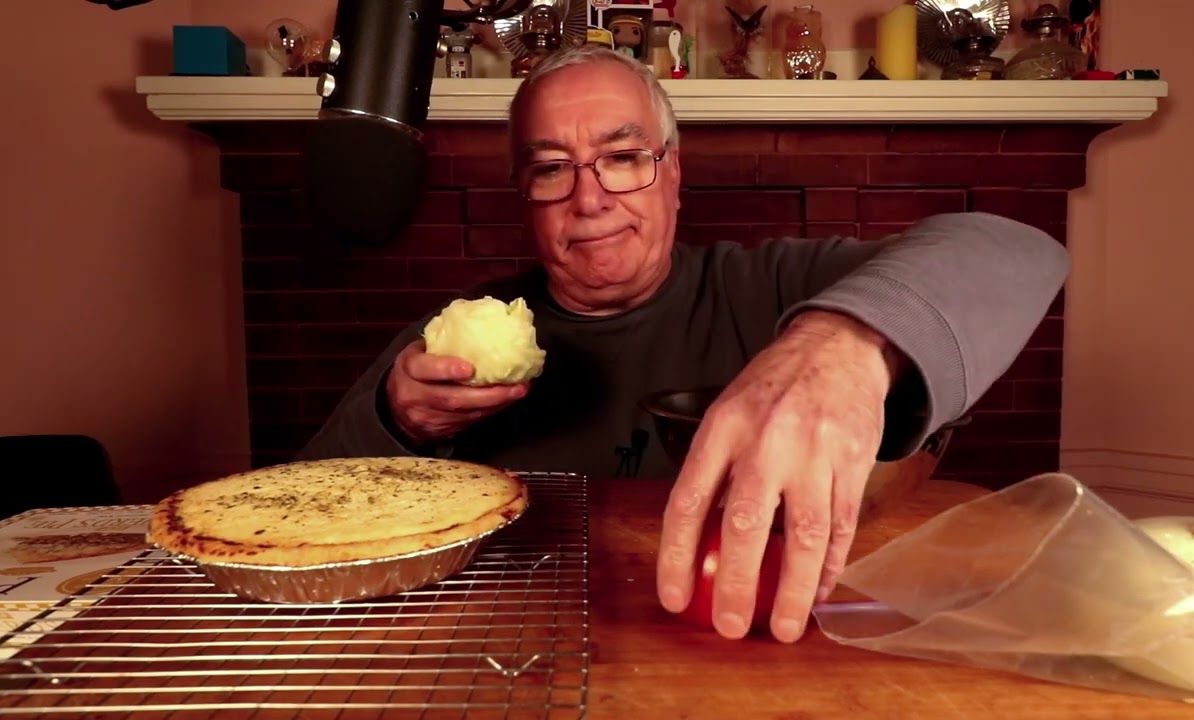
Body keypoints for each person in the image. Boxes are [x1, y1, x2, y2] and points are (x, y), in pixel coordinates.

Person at [296, 43, 1069, 644]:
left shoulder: (775, 287)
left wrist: (841, 344)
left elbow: (1016, 251)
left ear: (672, 174)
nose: (589, 197)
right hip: (514, 651)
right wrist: (397, 421)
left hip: (754, 647)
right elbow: (295, 514)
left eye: (623, 158)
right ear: (523, 197)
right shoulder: (446, 346)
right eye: (551, 169)